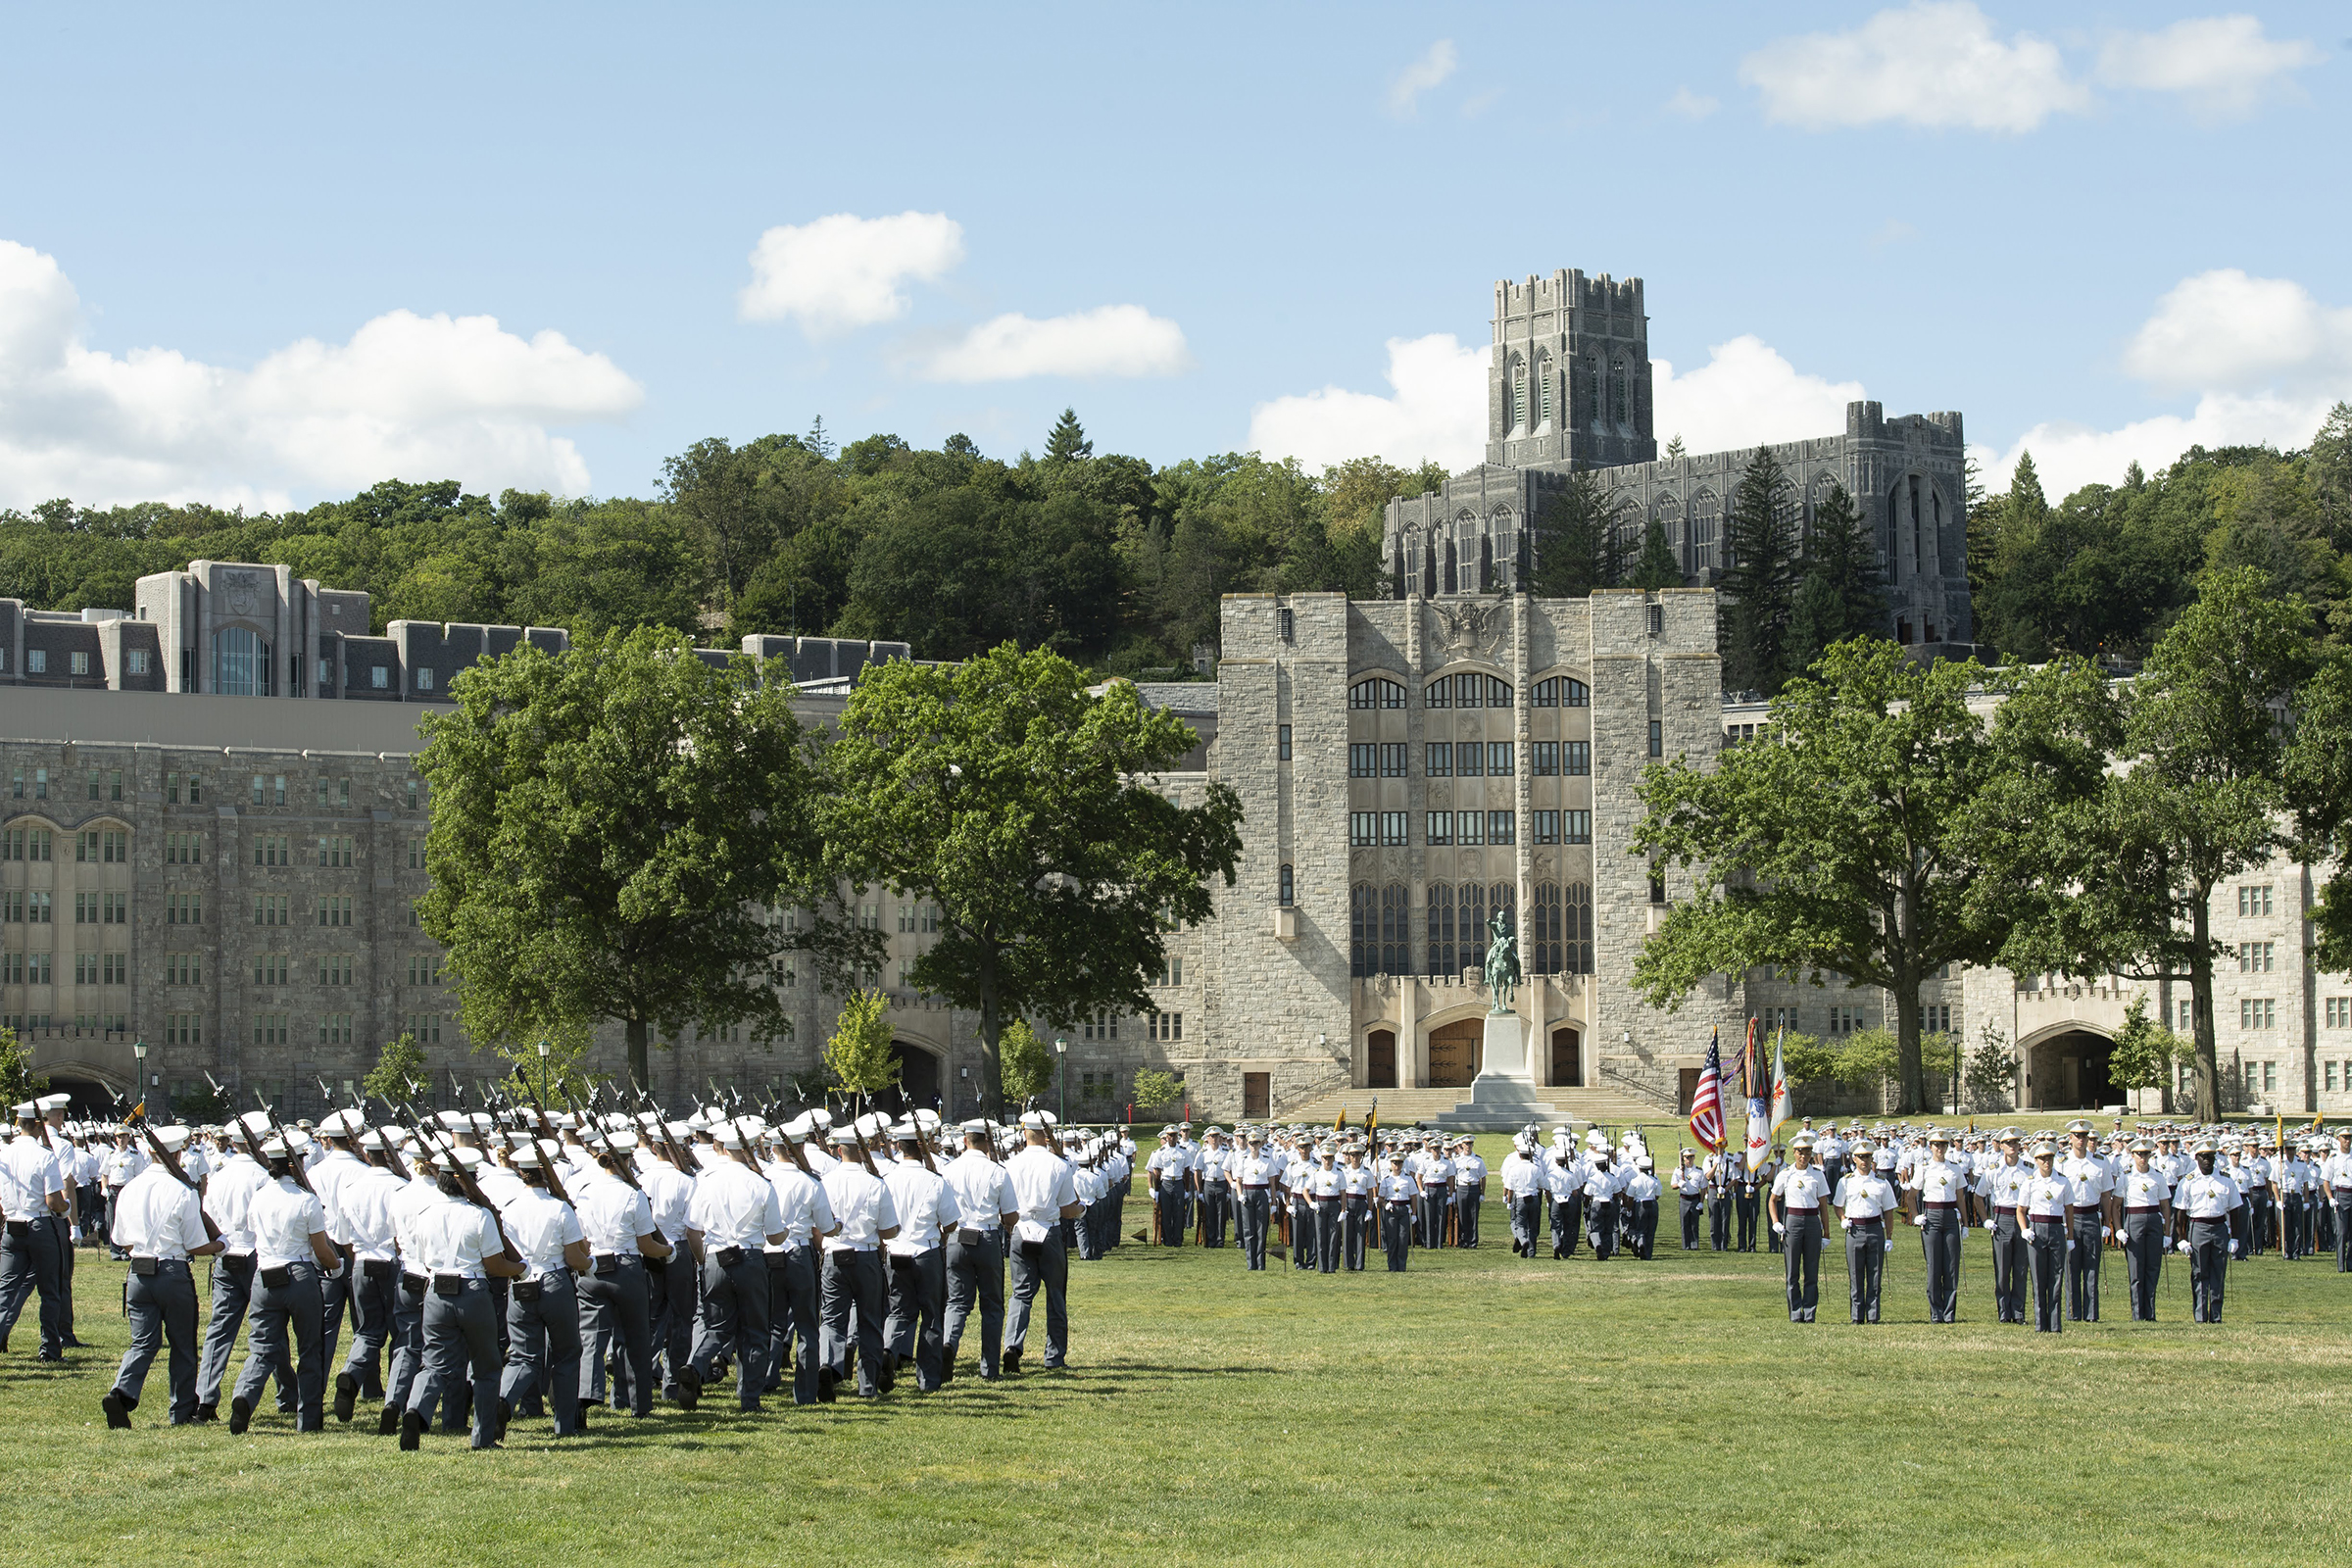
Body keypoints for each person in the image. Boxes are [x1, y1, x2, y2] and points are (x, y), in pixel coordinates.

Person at [399, 1146, 523, 1450]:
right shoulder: (480, 1216)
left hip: (437, 1292)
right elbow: (495, 1266)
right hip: (472, 1291)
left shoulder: (426, 1214)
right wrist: (520, 1267)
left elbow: (427, 1260)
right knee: (487, 1367)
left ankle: (416, 1409)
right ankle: (482, 1439)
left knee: (434, 1364)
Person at [102, 1126, 223, 1428]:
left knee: (142, 1342)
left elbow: (121, 1240)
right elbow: (196, 1245)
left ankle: (121, 1392)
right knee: (182, 1344)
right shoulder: (182, 1192)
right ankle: (181, 1411)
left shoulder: (129, 1188)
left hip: (138, 1271)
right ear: (179, 1153)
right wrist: (221, 1245)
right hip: (172, 1272)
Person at [232, 1136, 342, 1435]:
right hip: (299, 1274)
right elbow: (321, 1250)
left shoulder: (259, 1197)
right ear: (294, 1165)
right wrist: (337, 1265)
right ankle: (308, 1420)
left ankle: (244, 1394)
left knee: (263, 1347)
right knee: (309, 1348)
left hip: (265, 1274)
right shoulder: (306, 1200)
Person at [570, 1134, 671, 1420]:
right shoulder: (633, 1195)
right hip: (626, 1266)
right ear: (627, 1160)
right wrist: (668, 1252)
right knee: (635, 1337)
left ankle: (584, 1397)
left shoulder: (585, 1192)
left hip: (592, 1268)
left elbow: (581, 1239)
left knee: (592, 1339)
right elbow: (646, 1244)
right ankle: (639, 1404)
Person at [494, 1142, 590, 1438]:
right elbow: (574, 1258)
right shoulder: (559, 1208)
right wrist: (590, 1264)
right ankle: (564, 1424)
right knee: (566, 1354)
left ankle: (503, 1401)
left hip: (521, 1285)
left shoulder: (508, 1210)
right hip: (554, 1282)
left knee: (523, 1356)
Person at [816, 1123, 897, 1400]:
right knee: (869, 1322)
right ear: (863, 1152)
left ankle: (828, 1365)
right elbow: (888, 1230)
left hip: (833, 1256)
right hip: (864, 1255)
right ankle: (867, 1385)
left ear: (839, 1150)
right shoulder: (876, 1184)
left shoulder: (824, 1183)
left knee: (832, 1320)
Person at [881, 1119, 960, 1393]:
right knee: (931, 1316)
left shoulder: (887, 1180)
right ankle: (928, 1379)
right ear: (923, 1146)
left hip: (895, 1251)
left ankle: (889, 1350)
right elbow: (951, 1224)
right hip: (925, 1251)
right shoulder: (934, 1181)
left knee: (897, 1311)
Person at [1004, 1110, 1079, 1374]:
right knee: (1055, 1295)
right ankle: (1054, 1356)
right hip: (1049, 1230)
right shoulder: (1059, 1165)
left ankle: (1012, 1345)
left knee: (1020, 1294)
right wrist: (1081, 1211)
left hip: (1021, 1229)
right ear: (1048, 1135)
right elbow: (1068, 1208)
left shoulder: (1011, 1163)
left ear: (1025, 1133)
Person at [941, 1120, 1015, 1380]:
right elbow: (1011, 1215)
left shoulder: (949, 1170)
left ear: (965, 1141)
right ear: (988, 1142)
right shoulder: (997, 1171)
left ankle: (949, 1343)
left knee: (957, 1302)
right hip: (986, 1235)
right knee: (992, 1305)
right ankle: (989, 1368)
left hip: (957, 1236)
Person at [0, 1101, 70, 1361]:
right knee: (50, 1292)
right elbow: (53, 1202)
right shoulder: (44, 1155)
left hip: (11, 1225)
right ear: (39, 1125)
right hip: (39, 1224)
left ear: (19, 1124)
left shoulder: (3, 1154)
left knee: (5, 1291)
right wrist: (67, 1207)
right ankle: (50, 1350)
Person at [1831, 1145, 1898, 1325]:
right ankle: (1857, 1315)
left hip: (1875, 1228)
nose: (1864, 1161)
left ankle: (1873, 1315)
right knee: (1855, 1274)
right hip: (1855, 1230)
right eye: (1860, 1157)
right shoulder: (1846, 1181)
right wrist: (1843, 1219)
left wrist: (1889, 1236)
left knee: (1875, 1275)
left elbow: (1889, 1211)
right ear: (1854, 1159)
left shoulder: (1881, 1182)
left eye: (1867, 1156)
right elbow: (1838, 1205)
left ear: (1872, 1158)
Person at [2177, 1138, 2240, 1324]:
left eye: (2211, 1157)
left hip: (2220, 1227)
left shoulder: (2226, 1180)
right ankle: (2200, 1315)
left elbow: (2235, 1210)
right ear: (2196, 1158)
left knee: (2218, 1273)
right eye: (2204, 1157)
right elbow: (2180, 1212)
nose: (2207, 1161)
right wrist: (2181, 1239)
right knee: (2199, 1272)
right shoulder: (2188, 1181)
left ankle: (2216, 1315)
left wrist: (2234, 1238)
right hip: (2198, 1227)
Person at [1769, 1132, 1830, 1322]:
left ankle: (1810, 1312)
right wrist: (1776, 1222)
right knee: (1792, 1271)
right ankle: (1795, 1313)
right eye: (1800, 1152)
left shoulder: (1817, 1175)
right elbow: (1772, 1200)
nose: (1804, 1156)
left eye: (1807, 1152)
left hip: (1812, 1221)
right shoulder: (1786, 1174)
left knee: (1811, 1271)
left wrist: (1826, 1232)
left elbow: (1823, 1206)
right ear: (1794, 1153)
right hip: (1792, 1220)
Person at [1906, 1130, 1966, 1324]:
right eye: (1936, 1145)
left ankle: (1949, 1312)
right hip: (1931, 1216)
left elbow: (1961, 1198)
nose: (1940, 1148)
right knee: (1933, 1265)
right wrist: (1916, 1216)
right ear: (1930, 1146)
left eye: (1943, 1145)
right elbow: (1911, 1196)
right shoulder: (1924, 1169)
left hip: (1950, 1216)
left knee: (1951, 1266)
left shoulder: (1954, 1169)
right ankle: (1935, 1312)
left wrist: (1964, 1223)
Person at [2056, 1120, 2113, 1323]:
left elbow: (2106, 1195)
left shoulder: (2100, 1161)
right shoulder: (2061, 1163)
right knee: (2071, 1268)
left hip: (2091, 1216)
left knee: (2091, 1267)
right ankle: (2073, 1312)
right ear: (2070, 1138)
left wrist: (2107, 1223)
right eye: (2076, 1136)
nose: (2081, 1139)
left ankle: (2091, 1314)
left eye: (2084, 1136)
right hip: (2069, 1217)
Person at [2015, 1142, 2072, 1334]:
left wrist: (2070, 1236)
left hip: (2056, 1228)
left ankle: (2055, 1324)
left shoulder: (2063, 1181)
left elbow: (2069, 1210)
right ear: (2036, 1161)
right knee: (2038, 1278)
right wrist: (2025, 1229)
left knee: (2056, 1277)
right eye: (2042, 1159)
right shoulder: (2030, 1181)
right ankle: (2041, 1324)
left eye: (2049, 1158)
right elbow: (2021, 1210)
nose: (2046, 1162)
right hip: (2037, 1230)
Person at [1978, 1128, 2034, 1325]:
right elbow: (1978, 1196)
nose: (2012, 1146)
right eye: (2008, 1143)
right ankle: (2003, 1311)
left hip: (2022, 1219)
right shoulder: (1993, 1169)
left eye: (2015, 1142)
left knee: (2020, 1267)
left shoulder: (2029, 1169)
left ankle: (2018, 1312)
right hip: (2001, 1219)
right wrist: (1986, 1219)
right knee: (2002, 1269)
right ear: (2001, 1145)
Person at [2113, 1137, 2171, 1322]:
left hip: (2153, 1220)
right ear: (2132, 1155)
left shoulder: (2157, 1176)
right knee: (2136, 1269)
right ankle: (2137, 1314)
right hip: (2134, 1219)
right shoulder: (2126, 1177)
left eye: (2146, 1154)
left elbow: (2165, 1206)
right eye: (2139, 1154)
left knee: (2152, 1268)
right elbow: (2116, 1206)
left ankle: (2150, 1312)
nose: (2143, 1158)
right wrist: (2119, 1229)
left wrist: (2167, 1233)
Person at [1233, 1128, 1279, 1271]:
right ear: (1248, 1144)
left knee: (1261, 1230)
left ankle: (1261, 1263)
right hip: (1247, 1194)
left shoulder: (1266, 1160)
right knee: (1248, 1230)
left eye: (1256, 1143)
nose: (1253, 1146)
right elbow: (1238, 1180)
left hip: (1261, 1194)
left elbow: (1272, 1183)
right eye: (1251, 1143)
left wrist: (1274, 1202)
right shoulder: (1243, 1160)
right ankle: (1250, 1263)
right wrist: (1240, 1195)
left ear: (1261, 1144)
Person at [1146, 1127, 1188, 1247]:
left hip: (1179, 1182)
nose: (1172, 1138)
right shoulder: (1161, 1151)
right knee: (1166, 1213)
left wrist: (1187, 1189)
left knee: (1179, 1213)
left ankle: (1178, 1239)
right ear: (1166, 1137)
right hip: (1166, 1183)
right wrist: (1157, 1189)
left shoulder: (1183, 1151)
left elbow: (1186, 1170)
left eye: (1174, 1135)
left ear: (1177, 1136)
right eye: (1170, 1135)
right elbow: (1157, 1172)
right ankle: (1168, 1239)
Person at [1377, 1152, 1418, 1272]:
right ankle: (1392, 1266)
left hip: (1404, 1209)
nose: (1397, 1166)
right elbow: (1380, 1199)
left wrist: (1414, 1214)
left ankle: (1401, 1266)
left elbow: (1413, 1197)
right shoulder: (1386, 1180)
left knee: (1403, 1238)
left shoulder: (1408, 1179)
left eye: (1399, 1163)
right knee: (1392, 1239)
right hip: (1391, 1210)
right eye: (1394, 1163)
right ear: (1391, 1164)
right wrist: (1385, 1204)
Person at [1450, 1137, 1487, 1248]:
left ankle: (1473, 1240)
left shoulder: (1478, 1160)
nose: (1468, 1146)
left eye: (1470, 1143)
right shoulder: (1457, 1160)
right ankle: (1463, 1239)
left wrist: (1482, 1193)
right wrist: (1453, 1192)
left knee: (1473, 1216)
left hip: (1474, 1188)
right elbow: (1452, 1177)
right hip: (1462, 1187)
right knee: (1462, 1215)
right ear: (1462, 1145)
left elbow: (1483, 1177)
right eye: (1466, 1144)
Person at [1623, 1155, 1662, 1260]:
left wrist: (1629, 1209)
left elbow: (1630, 1197)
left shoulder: (1635, 1180)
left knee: (1640, 1228)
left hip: (1640, 1204)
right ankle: (1648, 1254)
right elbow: (1658, 1195)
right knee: (1651, 1230)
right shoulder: (1655, 1180)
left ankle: (1641, 1244)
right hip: (1652, 1204)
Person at [2325, 1129, 2352, 1274]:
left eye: (2349, 1137)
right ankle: (2341, 1266)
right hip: (2341, 1195)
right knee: (2341, 1233)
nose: (2348, 1141)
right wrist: (2330, 1198)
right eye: (2345, 1137)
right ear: (2338, 1139)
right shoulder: (2333, 1158)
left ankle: (2351, 1263)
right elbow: (2326, 1181)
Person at [1673, 1149, 1708, 1250]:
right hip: (1684, 1199)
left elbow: (1703, 1187)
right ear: (1683, 1158)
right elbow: (1673, 1185)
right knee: (1684, 1223)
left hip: (1695, 1199)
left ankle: (1694, 1244)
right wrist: (1679, 1184)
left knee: (1694, 1223)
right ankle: (1686, 1245)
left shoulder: (1699, 1171)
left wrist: (1701, 1202)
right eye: (1687, 1157)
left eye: (1691, 1157)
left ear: (1694, 1158)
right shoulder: (1678, 1170)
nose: (1689, 1159)